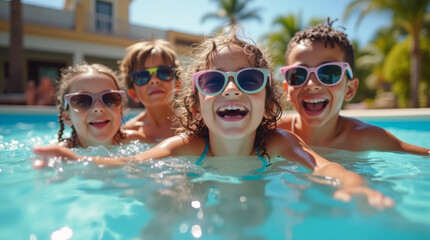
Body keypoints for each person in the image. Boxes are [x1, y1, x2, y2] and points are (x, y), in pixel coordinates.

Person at [33, 27, 394, 209]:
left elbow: (323, 166)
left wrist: (353, 184)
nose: (231, 90)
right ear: (195, 106)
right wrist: (74, 160)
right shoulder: (188, 144)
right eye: (214, 81)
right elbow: (131, 163)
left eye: (249, 80)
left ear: (269, 104)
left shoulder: (277, 141)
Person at [278, 19, 430, 155]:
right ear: (287, 89)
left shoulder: (365, 137)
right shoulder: (273, 131)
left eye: (329, 73)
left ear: (350, 89)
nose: (312, 85)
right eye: (298, 74)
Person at [51, 62, 145, 148]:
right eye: (82, 101)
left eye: (110, 99)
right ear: (67, 117)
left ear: (120, 110)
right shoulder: (58, 154)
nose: (98, 108)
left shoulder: (137, 141)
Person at [119, 39, 180, 143]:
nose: (154, 80)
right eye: (142, 76)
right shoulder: (126, 134)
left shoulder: (194, 127)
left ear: (178, 85)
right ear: (133, 93)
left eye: (164, 72)